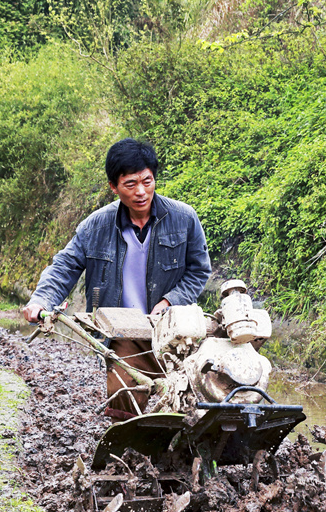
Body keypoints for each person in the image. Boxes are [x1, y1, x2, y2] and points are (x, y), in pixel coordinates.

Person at [22, 138, 210, 417]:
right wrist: (41, 300)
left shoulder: (183, 218)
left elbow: (199, 270)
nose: (141, 192)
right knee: (124, 393)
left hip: (173, 328)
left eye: (147, 181)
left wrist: (170, 300)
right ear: (114, 186)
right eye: (130, 184)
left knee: (189, 393)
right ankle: (128, 451)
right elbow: (65, 265)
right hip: (124, 330)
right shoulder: (96, 226)